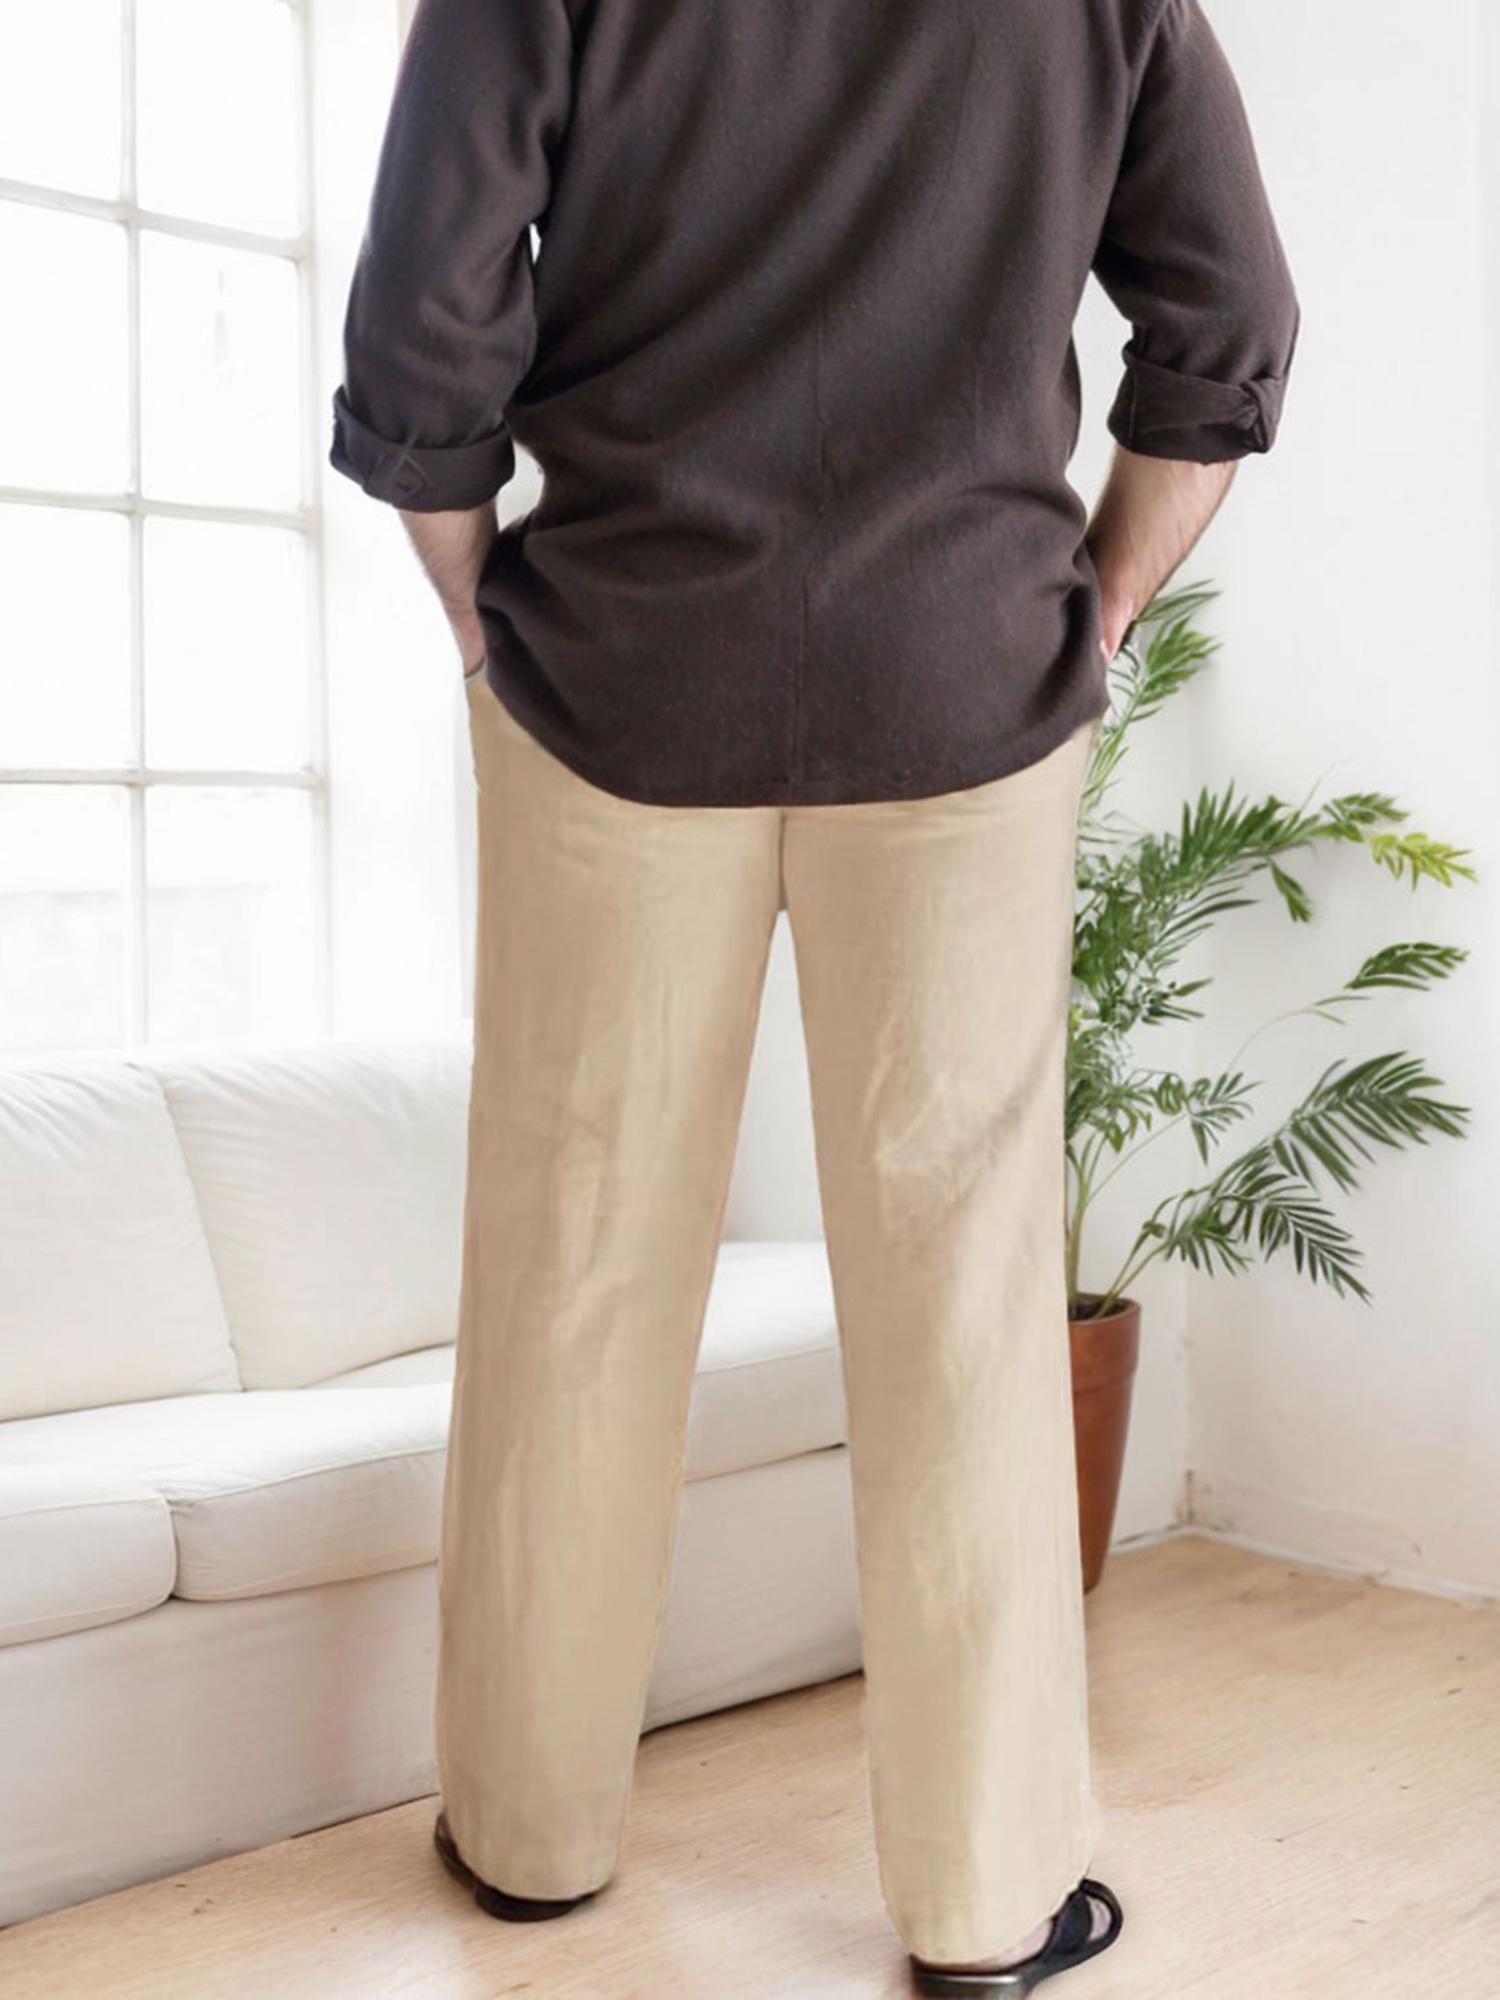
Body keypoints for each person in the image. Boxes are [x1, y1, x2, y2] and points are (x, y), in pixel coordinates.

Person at [328, 0, 1298, 1987]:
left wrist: (473, 611)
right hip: (966, 684)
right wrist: (1099, 608)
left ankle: (527, 1834)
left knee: (573, 1262)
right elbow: (1231, 325)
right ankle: (988, 1902)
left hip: (615, 677)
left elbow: (422, 333)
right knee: (965, 1302)